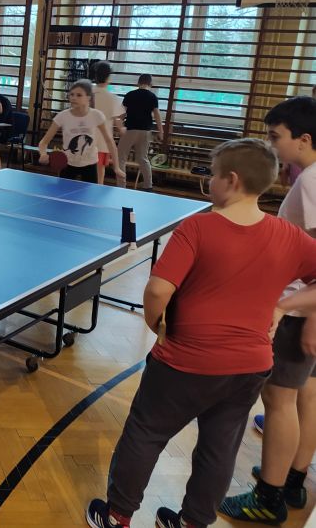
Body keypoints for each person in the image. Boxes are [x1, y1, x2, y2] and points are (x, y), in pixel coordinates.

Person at [86, 138, 316, 528]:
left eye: (213, 174)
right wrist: (283, 306)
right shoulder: (289, 235)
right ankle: (193, 522)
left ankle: (116, 515)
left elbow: (158, 290)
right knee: (219, 447)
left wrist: (156, 325)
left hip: (184, 361)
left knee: (145, 433)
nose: (209, 181)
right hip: (250, 366)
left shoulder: (198, 226)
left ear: (232, 180)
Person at [220, 97, 316, 525]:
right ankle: (292, 480)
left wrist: (301, 312)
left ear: (304, 139)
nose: (270, 145)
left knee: (279, 401)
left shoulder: (311, 182)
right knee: (306, 395)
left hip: (299, 313)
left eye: (275, 137)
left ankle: (268, 497)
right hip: (304, 309)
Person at [37, 79, 124, 184]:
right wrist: (43, 154)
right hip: (68, 164)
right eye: (71, 94)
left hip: (90, 165)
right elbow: (44, 142)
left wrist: (117, 167)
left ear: (88, 97)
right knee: (64, 193)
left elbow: (109, 141)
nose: (73, 97)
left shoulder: (96, 115)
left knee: (89, 194)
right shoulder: (62, 116)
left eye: (79, 95)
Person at [117, 74, 164, 191]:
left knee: (121, 158)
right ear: (150, 84)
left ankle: (121, 185)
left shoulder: (130, 95)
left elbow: (121, 114)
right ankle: (148, 185)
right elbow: (157, 115)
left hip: (130, 130)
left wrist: (119, 126)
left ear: (138, 83)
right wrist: (161, 131)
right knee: (143, 158)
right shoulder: (153, 97)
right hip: (145, 131)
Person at [90, 62, 125, 185]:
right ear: (109, 77)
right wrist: (122, 129)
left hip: (86, 139)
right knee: (100, 171)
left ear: (95, 76)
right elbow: (117, 120)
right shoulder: (113, 98)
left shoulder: (86, 94)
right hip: (103, 141)